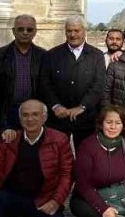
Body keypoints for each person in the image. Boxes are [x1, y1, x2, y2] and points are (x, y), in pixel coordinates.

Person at [70, 104, 125, 217]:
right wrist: (104, 209)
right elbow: (82, 184)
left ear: (123, 126)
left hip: (115, 192)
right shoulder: (88, 145)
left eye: (118, 123)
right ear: (101, 124)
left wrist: (124, 199)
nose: (113, 127)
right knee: (90, 216)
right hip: (90, 193)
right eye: (109, 122)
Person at [39, 16, 107, 144]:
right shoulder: (52, 55)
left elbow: (98, 85)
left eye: (77, 30)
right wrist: (55, 106)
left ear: (84, 31)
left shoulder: (96, 55)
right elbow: (44, 84)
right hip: (57, 118)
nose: (73, 34)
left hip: (86, 119)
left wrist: (82, 107)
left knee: (85, 157)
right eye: (69, 31)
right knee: (56, 156)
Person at [0, 14, 45, 136]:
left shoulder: (44, 56)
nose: (25, 33)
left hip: (34, 112)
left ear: (35, 32)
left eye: (29, 29)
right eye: (20, 29)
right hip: (6, 111)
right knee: (6, 150)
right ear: (13, 31)